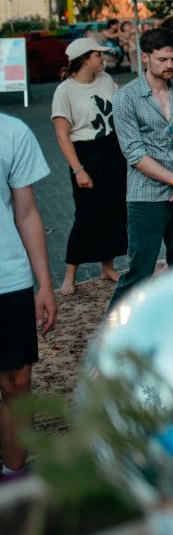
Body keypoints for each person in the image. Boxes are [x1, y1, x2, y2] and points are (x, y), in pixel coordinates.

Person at [108, 27, 173, 310]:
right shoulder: (127, 97)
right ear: (145, 57)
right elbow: (134, 154)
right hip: (145, 196)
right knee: (140, 271)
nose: (170, 65)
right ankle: (112, 335)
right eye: (162, 59)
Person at [0, 115, 56, 479]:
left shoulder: (12, 131)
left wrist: (45, 284)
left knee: (17, 382)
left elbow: (27, 212)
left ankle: (14, 473)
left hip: (7, 277)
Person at [49, 37, 126, 294]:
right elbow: (62, 135)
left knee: (114, 209)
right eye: (98, 55)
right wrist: (78, 169)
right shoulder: (65, 91)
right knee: (87, 214)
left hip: (111, 149)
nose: (103, 59)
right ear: (84, 59)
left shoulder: (105, 81)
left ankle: (107, 266)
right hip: (85, 154)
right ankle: (70, 274)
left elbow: (122, 110)